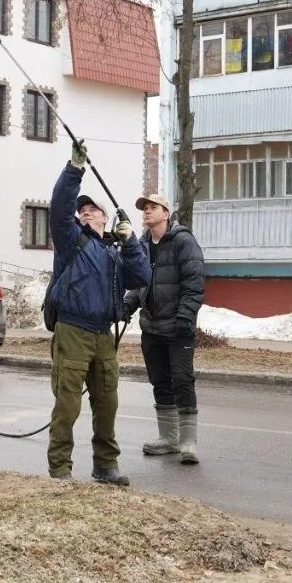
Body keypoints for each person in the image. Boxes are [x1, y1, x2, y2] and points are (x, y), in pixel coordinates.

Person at [46, 140, 151, 485]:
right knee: (68, 405)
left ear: (106, 218)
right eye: (83, 210)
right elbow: (60, 207)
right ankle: (60, 468)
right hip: (73, 329)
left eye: (93, 209)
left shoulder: (115, 252)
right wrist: (74, 169)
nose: (85, 212)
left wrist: (132, 241)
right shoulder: (70, 240)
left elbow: (142, 277)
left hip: (103, 334)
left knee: (107, 404)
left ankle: (105, 466)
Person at [123, 193, 205, 465]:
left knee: (182, 380)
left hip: (177, 326)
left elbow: (194, 283)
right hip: (152, 327)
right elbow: (138, 282)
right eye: (144, 208)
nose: (147, 212)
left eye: (153, 207)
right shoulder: (143, 244)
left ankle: (188, 441)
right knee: (160, 381)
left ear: (166, 213)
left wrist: (185, 316)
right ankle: (169, 438)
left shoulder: (183, 241)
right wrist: (126, 306)